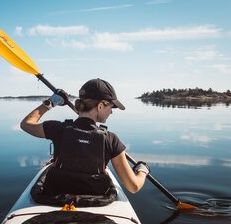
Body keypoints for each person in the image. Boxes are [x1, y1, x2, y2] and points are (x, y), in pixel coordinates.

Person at [20, 78, 149, 196]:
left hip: (55, 198)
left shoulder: (58, 129)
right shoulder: (111, 140)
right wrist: (143, 170)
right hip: (95, 203)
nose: (111, 111)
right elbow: (134, 186)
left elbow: (26, 124)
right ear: (100, 106)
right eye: (111, 107)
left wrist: (51, 103)